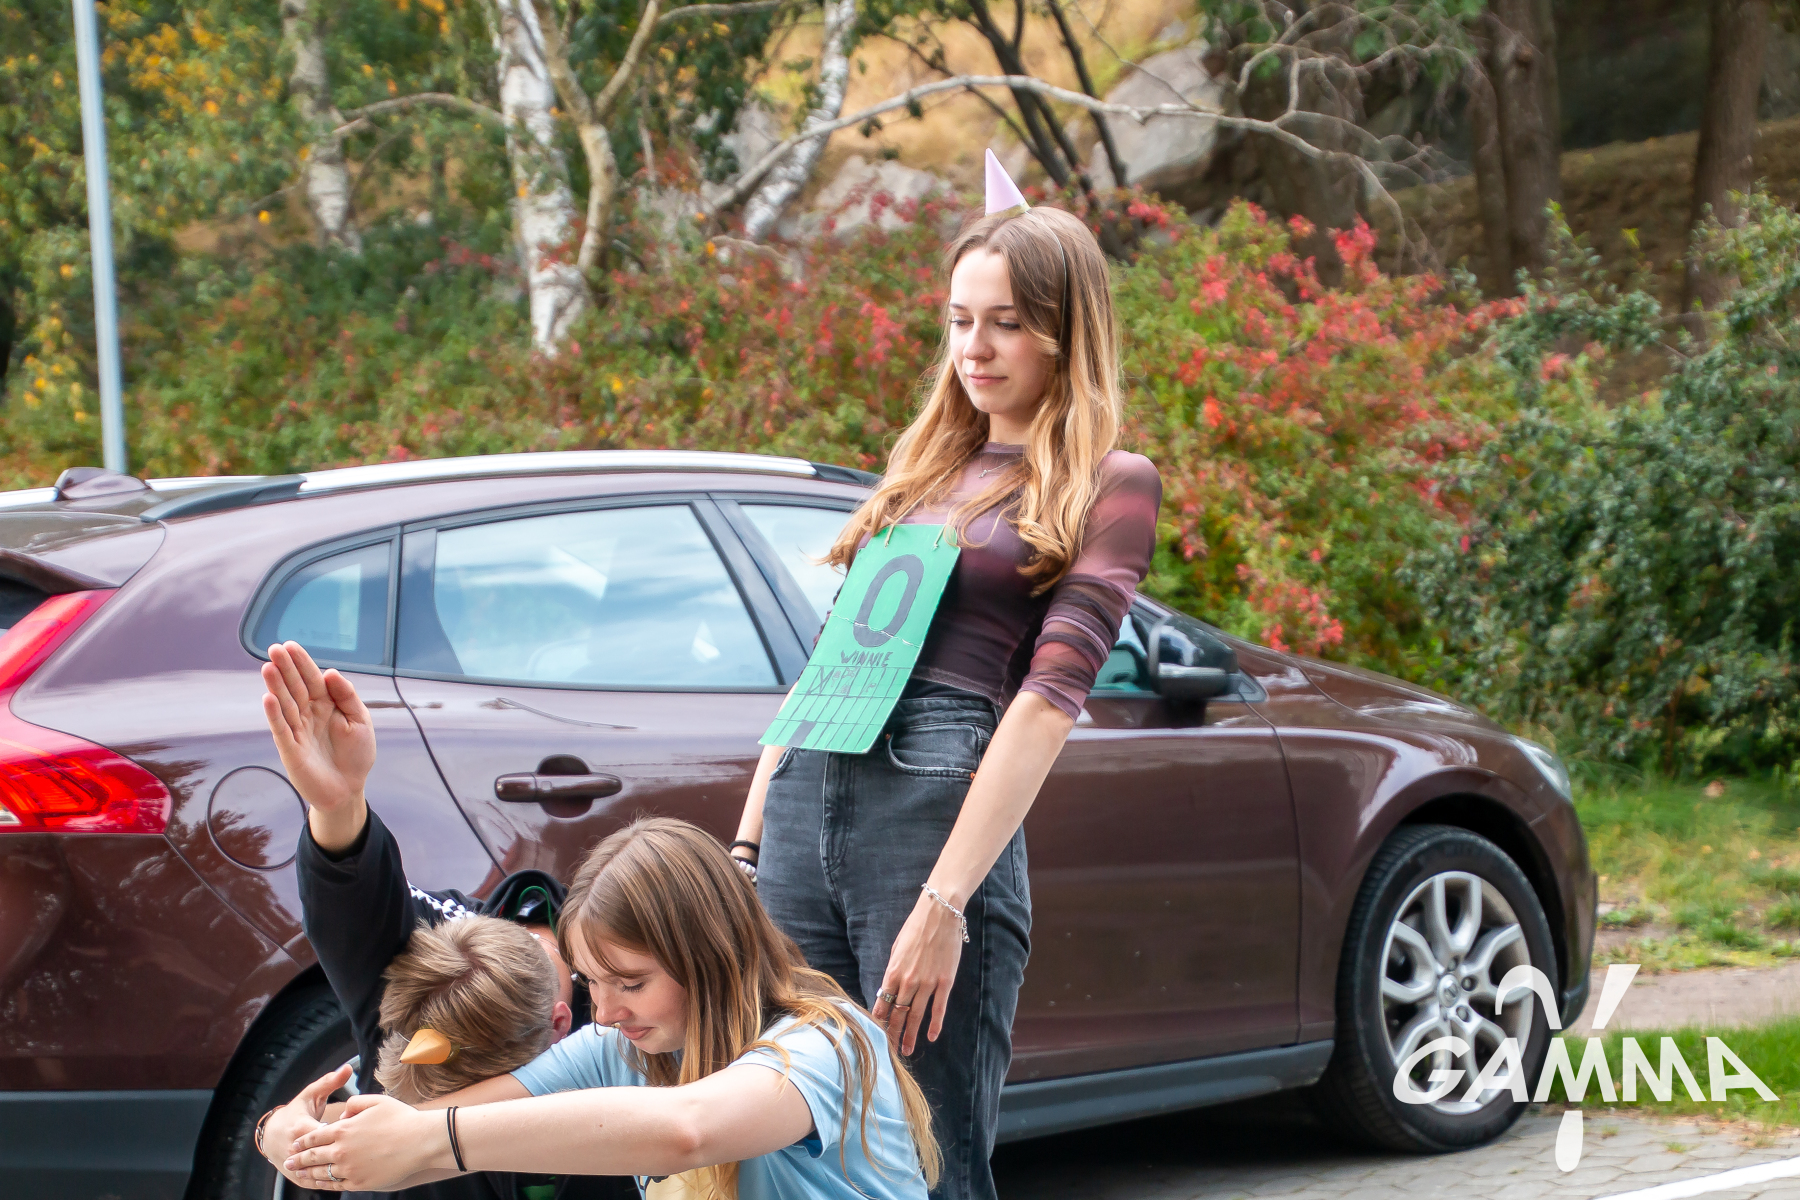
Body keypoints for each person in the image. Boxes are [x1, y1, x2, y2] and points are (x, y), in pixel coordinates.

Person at [729, 151, 1162, 1200]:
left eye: (1007, 322)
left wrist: (945, 902)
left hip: (932, 812)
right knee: (799, 1156)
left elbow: (1048, 704)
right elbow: (827, 666)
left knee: (929, 1159)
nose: (976, 347)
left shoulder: (1110, 482)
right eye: (962, 321)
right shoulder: (922, 468)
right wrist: (745, 848)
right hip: (807, 795)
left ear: (1066, 331)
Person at [273, 816, 941, 1200]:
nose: (607, 1012)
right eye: (592, 983)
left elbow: (687, 1129)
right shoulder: (620, 1049)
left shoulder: (827, 1044)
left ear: (708, 954)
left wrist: (434, 1140)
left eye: (631, 982)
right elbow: (417, 1133)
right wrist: (287, 1134)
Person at [254, 640, 634, 1200]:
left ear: (562, 1027)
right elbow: (350, 893)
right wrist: (338, 804)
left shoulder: (629, 1003)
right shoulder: (413, 960)